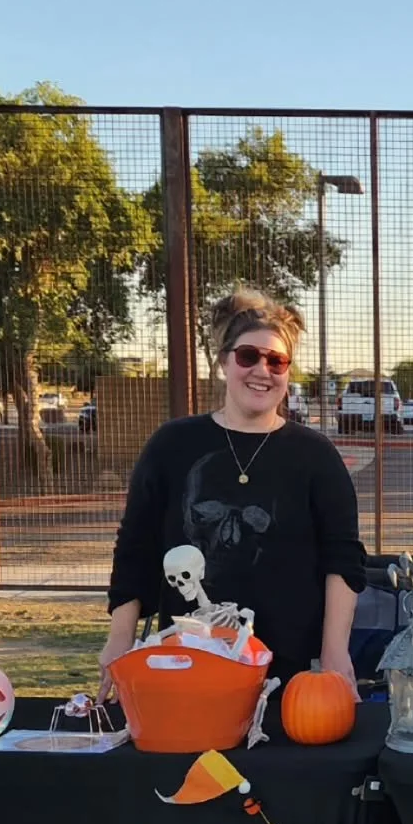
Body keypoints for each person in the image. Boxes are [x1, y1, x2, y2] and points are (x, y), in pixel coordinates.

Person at [99, 288, 368, 698]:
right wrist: (120, 638)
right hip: (185, 660)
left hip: (286, 671)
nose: (262, 370)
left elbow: (342, 559)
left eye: (277, 361)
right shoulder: (172, 445)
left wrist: (334, 652)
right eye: (248, 356)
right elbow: (137, 545)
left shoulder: (315, 456)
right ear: (225, 361)